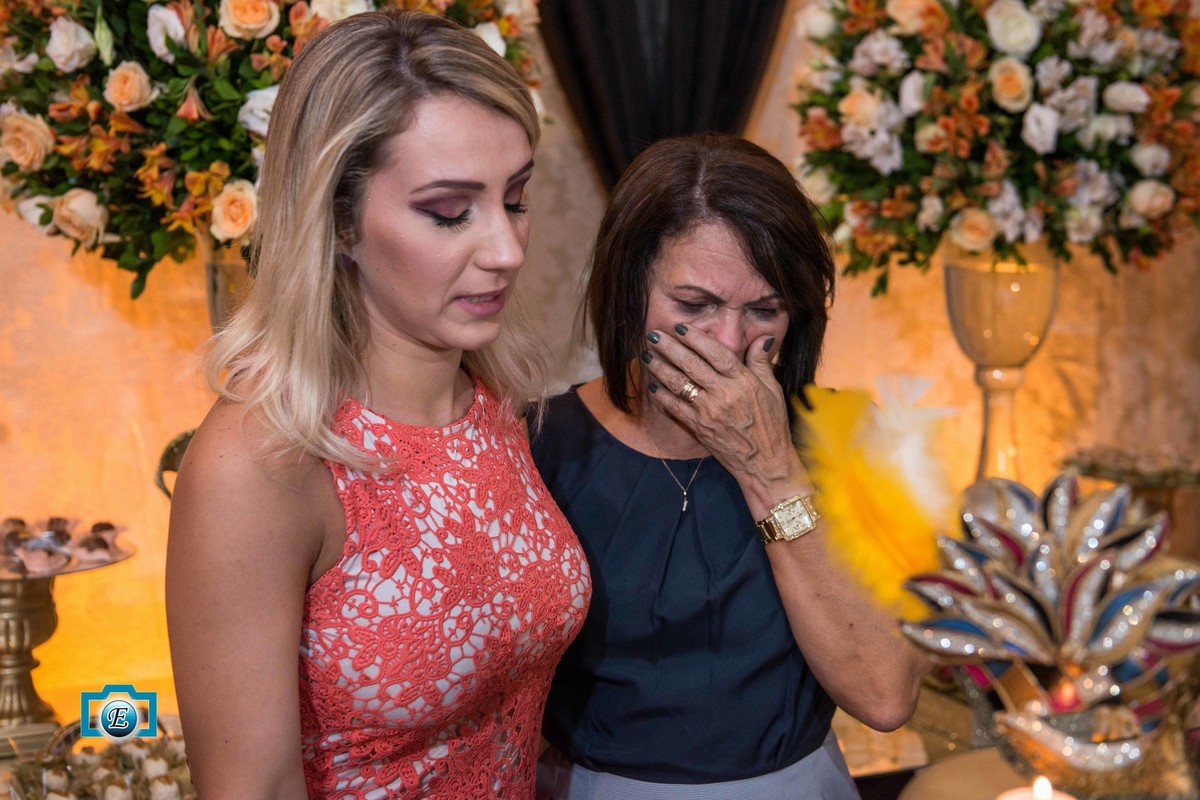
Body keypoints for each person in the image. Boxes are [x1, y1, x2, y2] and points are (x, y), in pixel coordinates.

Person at [165, 10, 590, 799]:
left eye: (516, 198)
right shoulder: (261, 462)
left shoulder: (496, 402)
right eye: (449, 211)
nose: (507, 250)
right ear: (337, 221)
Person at [531, 133, 930, 799]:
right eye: (695, 307)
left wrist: (769, 468)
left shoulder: (855, 437)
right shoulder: (539, 443)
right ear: (630, 290)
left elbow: (887, 695)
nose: (729, 342)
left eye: (764, 310)